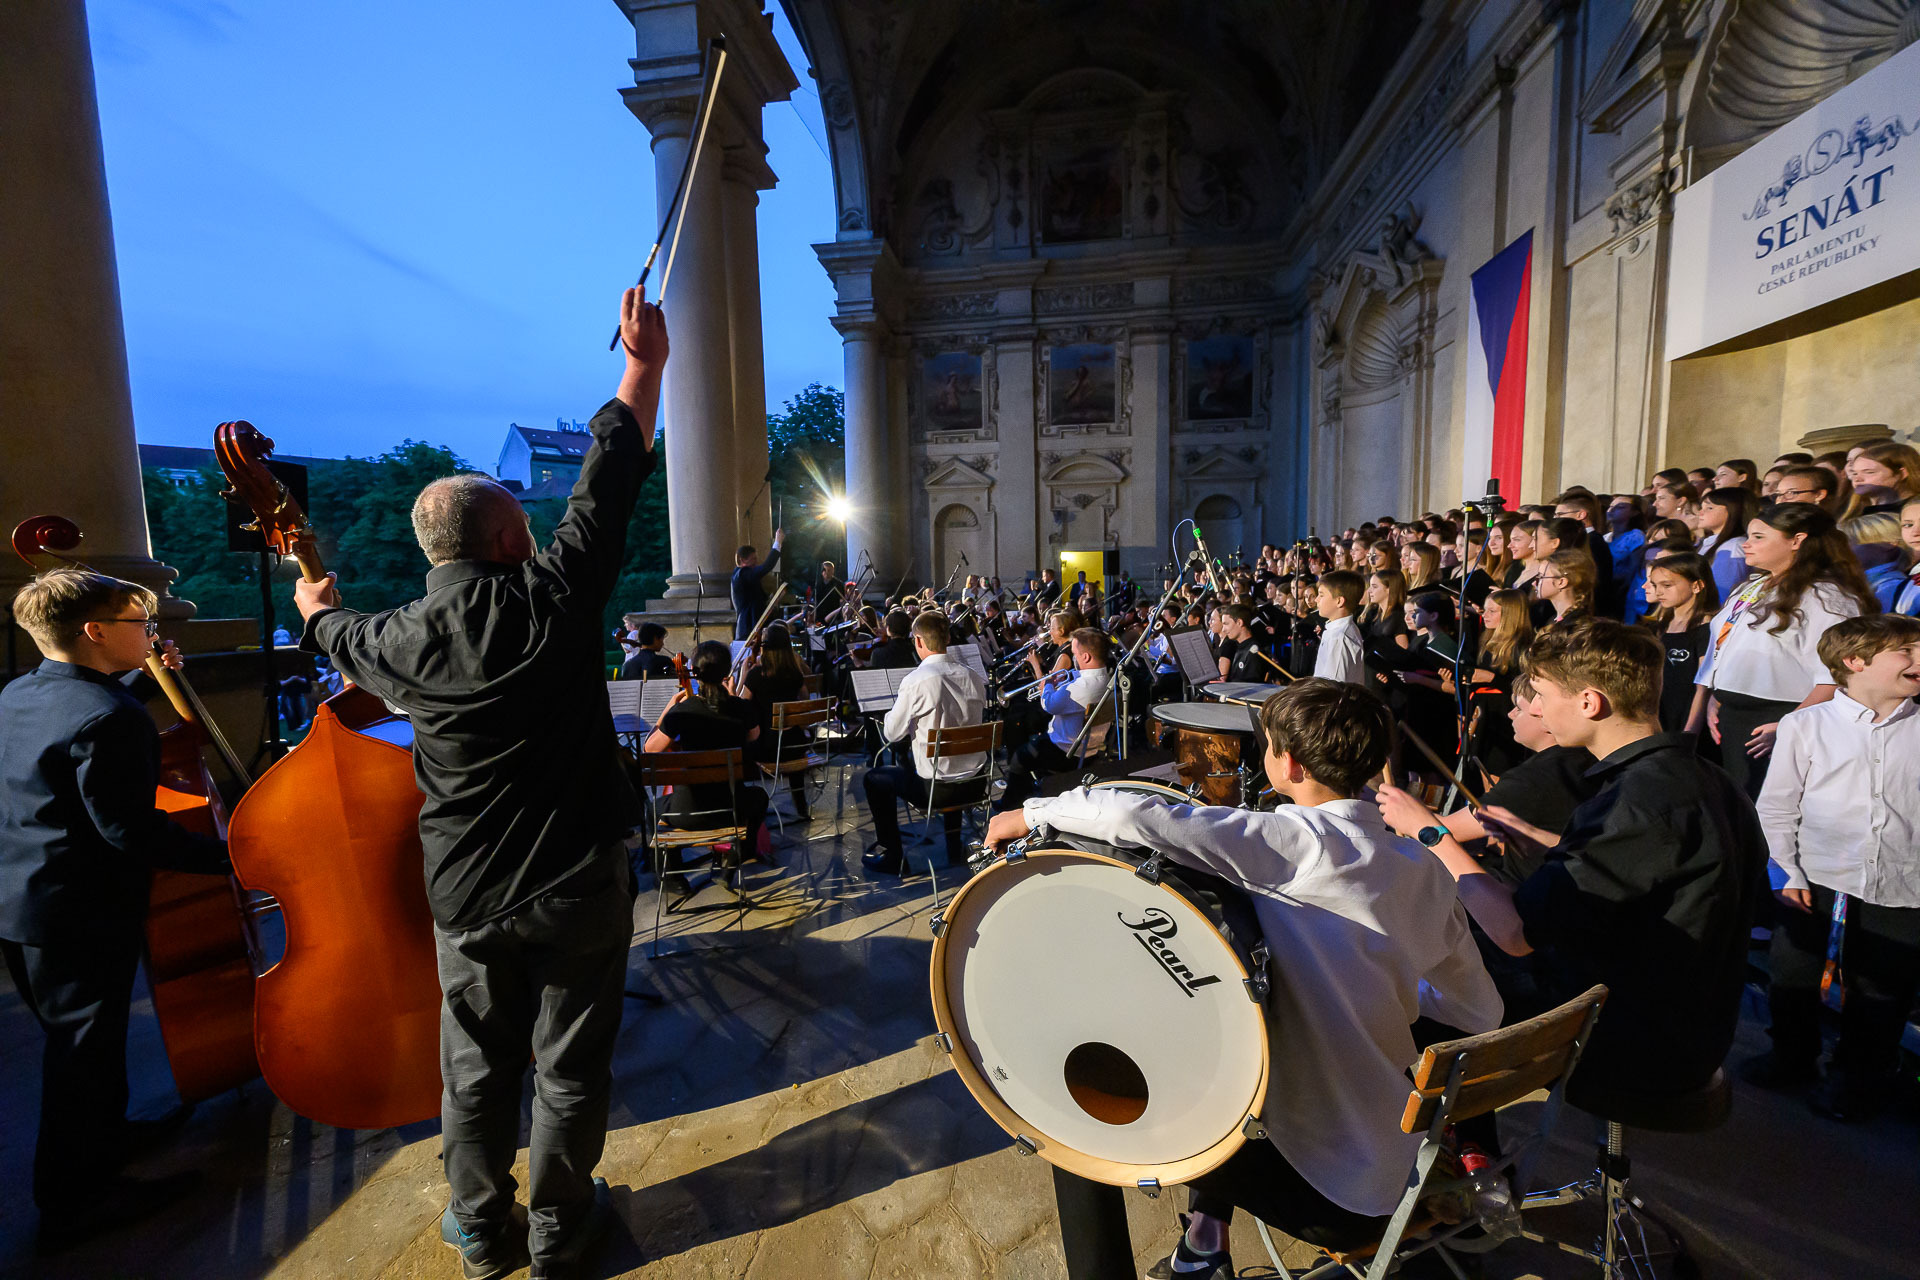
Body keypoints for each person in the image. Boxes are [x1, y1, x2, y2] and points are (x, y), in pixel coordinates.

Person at [291, 286, 667, 1279]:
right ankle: (558, 1229)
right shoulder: (555, 596)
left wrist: (312, 599)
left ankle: (482, 1231)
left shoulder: (389, 640)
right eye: (524, 527)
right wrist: (642, 364)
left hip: (465, 890)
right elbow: (609, 478)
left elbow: (327, 629)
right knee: (571, 1062)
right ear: (509, 543)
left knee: (474, 1068)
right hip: (577, 877)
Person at [985, 679, 1501, 1271]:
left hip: (1328, 1188)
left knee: (1071, 1119)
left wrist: (1029, 813)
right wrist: (1380, 985)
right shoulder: (1422, 869)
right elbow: (1478, 1010)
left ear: (1290, 763)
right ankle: (1204, 1244)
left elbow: (1135, 814)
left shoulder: (1291, 844)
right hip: (1397, 1164)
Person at [1378, 618, 1764, 1107]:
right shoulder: (1708, 780)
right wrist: (1543, 841)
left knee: (1400, 993)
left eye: (1540, 695)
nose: (1536, 709)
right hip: (1693, 1026)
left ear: (1589, 702)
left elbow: (1515, 934)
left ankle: (1452, 1142)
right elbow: (1648, 879)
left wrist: (1430, 833)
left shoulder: (1635, 804)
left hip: (1629, 1044)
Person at [0, 571, 233, 1245]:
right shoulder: (112, 719)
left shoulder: (21, 691)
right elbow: (131, 832)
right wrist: (233, 857)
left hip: (22, 898)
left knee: (85, 1046)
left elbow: (81, 719)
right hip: (79, 908)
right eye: (142, 624)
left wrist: (140, 678)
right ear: (96, 631)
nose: (153, 635)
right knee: (81, 1053)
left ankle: (109, 1139)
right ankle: (72, 1203)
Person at [1747, 615, 1920, 1118]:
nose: (1919, 660)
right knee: (1793, 969)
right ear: (1854, 661)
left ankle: (1857, 1079)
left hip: (1902, 879)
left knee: (1882, 986)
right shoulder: (1806, 725)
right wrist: (1786, 872)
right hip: (1815, 873)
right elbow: (1776, 807)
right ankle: (1791, 1055)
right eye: (1906, 650)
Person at [1686, 503, 1879, 800]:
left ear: (1797, 540)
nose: (1746, 544)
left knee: (1769, 808)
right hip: (1734, 719)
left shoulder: (1826, 598)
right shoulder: (1754, 586)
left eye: (1759, 537)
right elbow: (1726, 644)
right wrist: (1717, 694)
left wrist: (1790, 726)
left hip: (1779, 717)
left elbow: (1835, 675)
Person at [860, 613, 990, 877]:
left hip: (936, 791)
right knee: (949, 762)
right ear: (948, 638)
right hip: (976, 784)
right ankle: (953, 845)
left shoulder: (916, 681)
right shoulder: (974, 677)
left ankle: (893, 855)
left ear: (918, 641)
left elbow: (892, 734)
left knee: (874, 779)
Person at [643, 639, 770, 863]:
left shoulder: (681, 711)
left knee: (653, 808)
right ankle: (737, 857)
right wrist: (734, 698)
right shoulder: (741, 708)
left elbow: (649, 749)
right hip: (733, 808)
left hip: (686, 813)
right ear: (726, 672)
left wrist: (668, 710)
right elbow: (754, 736)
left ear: (694, 672)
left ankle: (672, 874)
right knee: (760, 797)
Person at [995, 627, 1114, 811]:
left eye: (1075, 653)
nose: (1073, 658)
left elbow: (1048, 705)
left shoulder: (1079, 687)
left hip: (1065, 752)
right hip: (1092, 749)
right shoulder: (1108, 680)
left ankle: (1011, 804)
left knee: (1019, 756)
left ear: (1086, 657)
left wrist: (1048, 683)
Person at [1640, 552, 1720, 738]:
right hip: (1659, 719)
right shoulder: (1658, 628)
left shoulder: (1708, 628)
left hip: (1688, 723)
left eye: (1667, 585)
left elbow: (1703, 688)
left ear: (1696, 586)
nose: (1659, 592)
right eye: (1655, 585)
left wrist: (1689, 733)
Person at [740, 622, 813, 822]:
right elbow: (805, 700)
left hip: (768, 748)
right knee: (789, 738)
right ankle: (800, 804)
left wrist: (743, 675)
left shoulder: (756, 675)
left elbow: (742, 705)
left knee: (741, 745)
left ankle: (746, 803)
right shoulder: (795, 675)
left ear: (764, 647)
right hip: (796, 746)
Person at [1696, 487, 1759, 599]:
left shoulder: (1733, 547)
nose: (1700, 513)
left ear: (1733, 511)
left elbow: (1722, 594)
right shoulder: (1713, 542)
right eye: (1701, 507)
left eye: (1709, 508)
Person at [1311, 569, 1365, 686]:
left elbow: (1333, 688)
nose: (1316, 600)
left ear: (1339, 601)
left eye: (1321, 595)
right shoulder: (1338, 631)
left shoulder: (1339, 638)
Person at [730, 528, 784, 640]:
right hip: (748, 630)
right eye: (753, 559)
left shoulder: (745, 575)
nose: (756, 562)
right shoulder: (742, 574)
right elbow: (766, 567)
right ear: (742, 560)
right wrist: (777, 543)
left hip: (754, 627)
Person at [1215, 602, 1271, 683]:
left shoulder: (1254, 652)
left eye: (1226, 624)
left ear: (1239, 623)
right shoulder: (1238, 646)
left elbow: (1249, 686)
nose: (1223, 629)